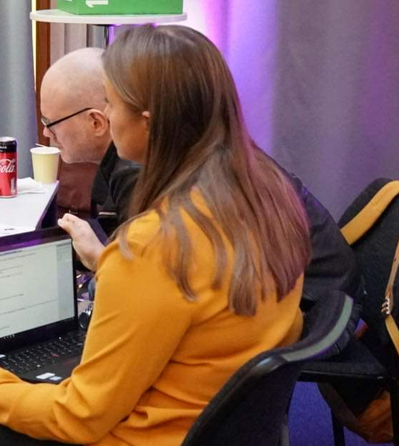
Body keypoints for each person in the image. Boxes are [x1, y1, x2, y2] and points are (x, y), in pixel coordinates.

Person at [0, 24, 312, 446]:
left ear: (145, 121)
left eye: (112, 100)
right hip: (217, 424)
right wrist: (111, 264)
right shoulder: (267, 192)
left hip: (152, 435)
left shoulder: (155, 242)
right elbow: (186, 295)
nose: (105, 114)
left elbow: (79, 417)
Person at [40, 47, 361, 304]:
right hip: (311, 301)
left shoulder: (152, 175)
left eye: (112, 103)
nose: (45, 132)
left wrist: (102, 262)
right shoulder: (212, 154)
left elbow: (146, 291)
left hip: (314, 306)